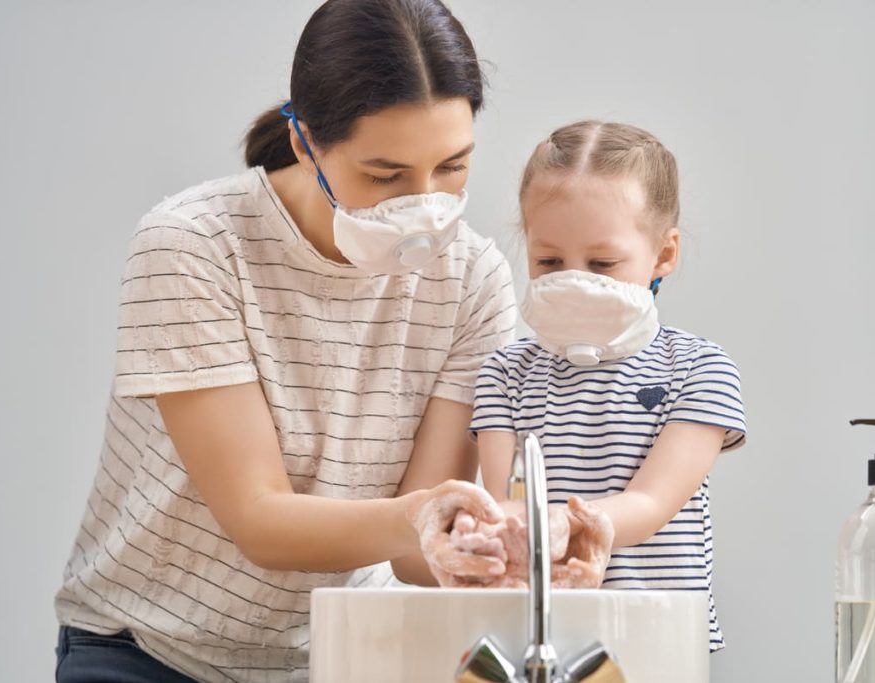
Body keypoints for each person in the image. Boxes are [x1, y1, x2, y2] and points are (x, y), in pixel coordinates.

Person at [53, 1, 517, 681]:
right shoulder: (193, 243)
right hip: (151, 650)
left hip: (340, 653)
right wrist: (423, 517)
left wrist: (497, 540)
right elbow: (260, 519)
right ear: (305, 144)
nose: (424, 205)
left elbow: (415, 553)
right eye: (385, 175)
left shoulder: (475, 278)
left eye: (452, 167)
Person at [469, 120, 747, 651]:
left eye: (602, 263)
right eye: (548, 262)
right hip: (536, 639)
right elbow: (508, 504)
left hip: (654, 640)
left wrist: (553, 523)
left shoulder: (700, 369)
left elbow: (650, 503)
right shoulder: (504, 375)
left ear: (663, 254)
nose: (575, 280)